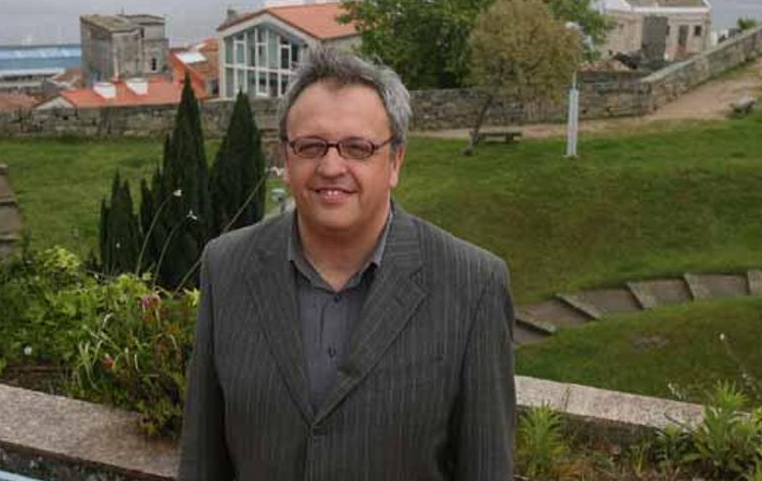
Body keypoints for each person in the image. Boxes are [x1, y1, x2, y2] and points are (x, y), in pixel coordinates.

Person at [178, 47, 515, 480]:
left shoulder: (474, 284)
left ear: (394, 161)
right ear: (285, 157)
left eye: (357, 148)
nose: (331, 166)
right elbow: (203, 461)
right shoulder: (226, 267)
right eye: (311, 146)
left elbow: (485, 468)